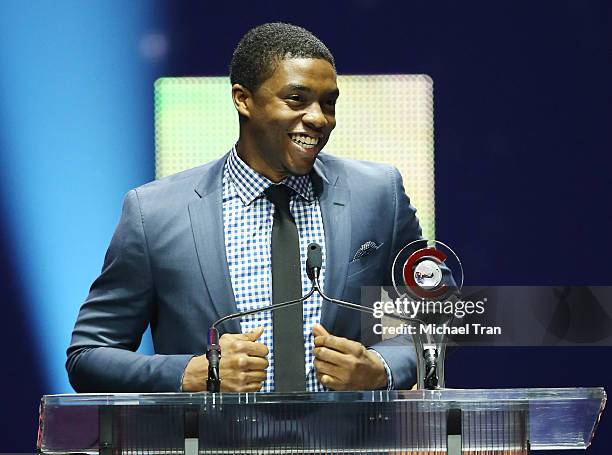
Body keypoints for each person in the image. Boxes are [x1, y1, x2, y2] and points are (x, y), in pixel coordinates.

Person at [66, 22, 421, 394]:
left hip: (344, 451)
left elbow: (435, 319)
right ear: (243, 99)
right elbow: (88, 356)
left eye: (328, 103)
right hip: (203, 451)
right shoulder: (153, 212)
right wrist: (189, 373)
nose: (319, 118)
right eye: (297, 99)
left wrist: (381, 369)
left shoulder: (379, 193)